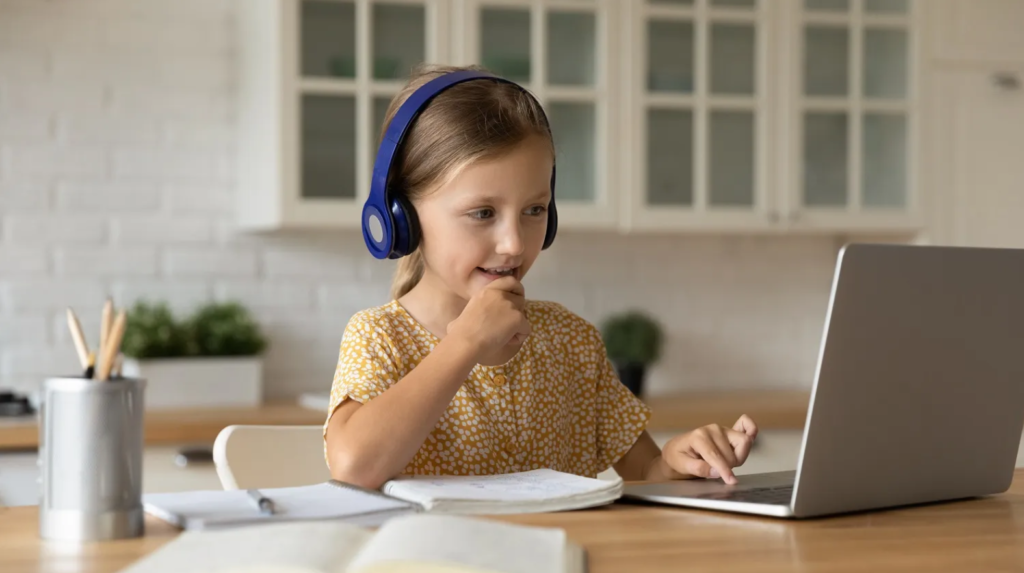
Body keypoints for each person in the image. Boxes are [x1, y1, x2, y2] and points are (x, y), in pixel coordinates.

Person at [323, 64, 758, 490]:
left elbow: (647, 474)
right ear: (403, 218)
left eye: (534, 210)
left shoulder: (571, 342)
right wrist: (465, 343)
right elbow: (354, 467)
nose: (514, 243)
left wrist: (682, 461)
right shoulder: (380, 338)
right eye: (483, 213)